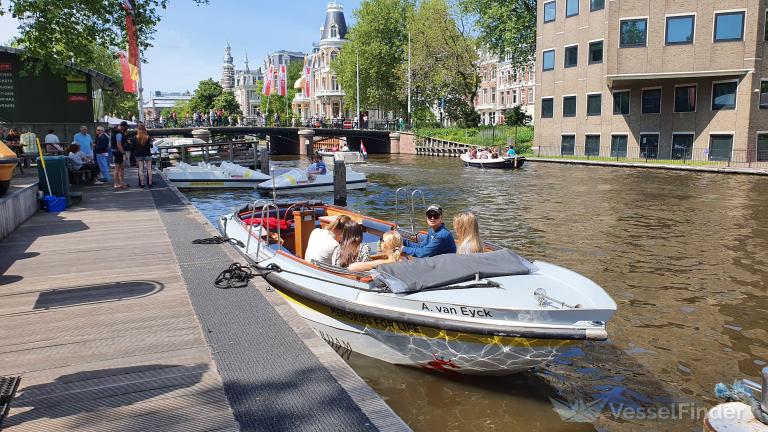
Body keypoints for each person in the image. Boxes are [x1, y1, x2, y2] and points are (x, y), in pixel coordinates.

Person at [129, 123, 154, 188]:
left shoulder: (135, 137)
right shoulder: (148, 137)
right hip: (147, 154)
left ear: (138, 129)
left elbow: (132, 147)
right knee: (149, 169)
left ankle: (142, 183)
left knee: (140, 169)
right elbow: (151, 146)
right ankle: (150, 183)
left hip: (139, 154)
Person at [111, 121, 129, 188]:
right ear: (122, 126)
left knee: (121, 168)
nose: (126, 128)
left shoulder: (115, 132)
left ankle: (121, 182)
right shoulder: (119, 134)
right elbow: (119, 144)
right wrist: (124, 153)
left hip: (116, 151)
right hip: (118, 152)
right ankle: (116, 183)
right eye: (125, 127)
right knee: (118, 168)